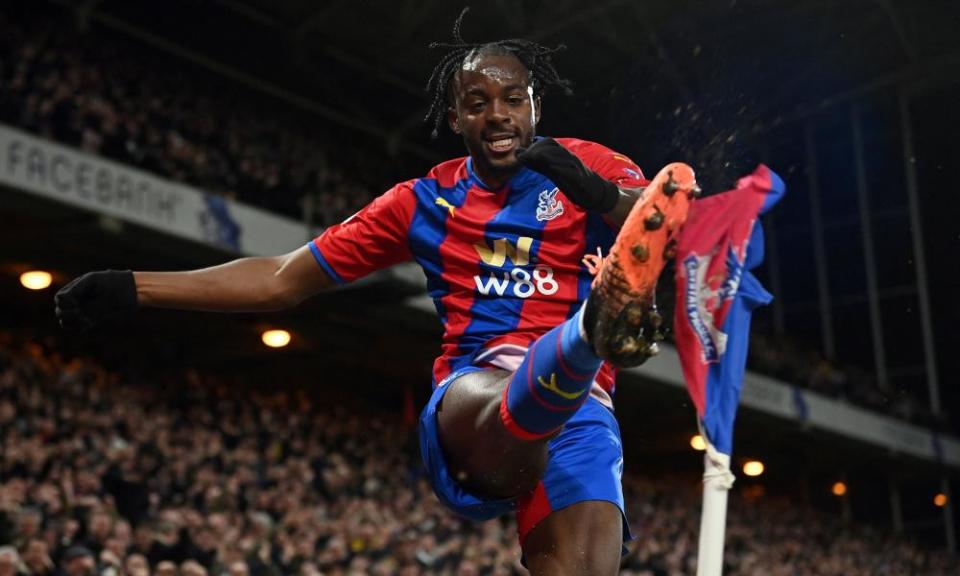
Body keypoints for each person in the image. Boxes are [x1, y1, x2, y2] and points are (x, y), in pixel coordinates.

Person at [55, 11, 699, 575]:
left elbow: (673, 224)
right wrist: (135, 287)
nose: (497, 114)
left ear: (535, 107)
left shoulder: (593, 162)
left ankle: (589, 336)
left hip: (584, 415)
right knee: (511, 389)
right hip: (475, 396)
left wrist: (593, 193)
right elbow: (284, 278)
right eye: (477, 101)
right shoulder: (422, 201)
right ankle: (591, 333)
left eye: (512, 98)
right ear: (455, 118)